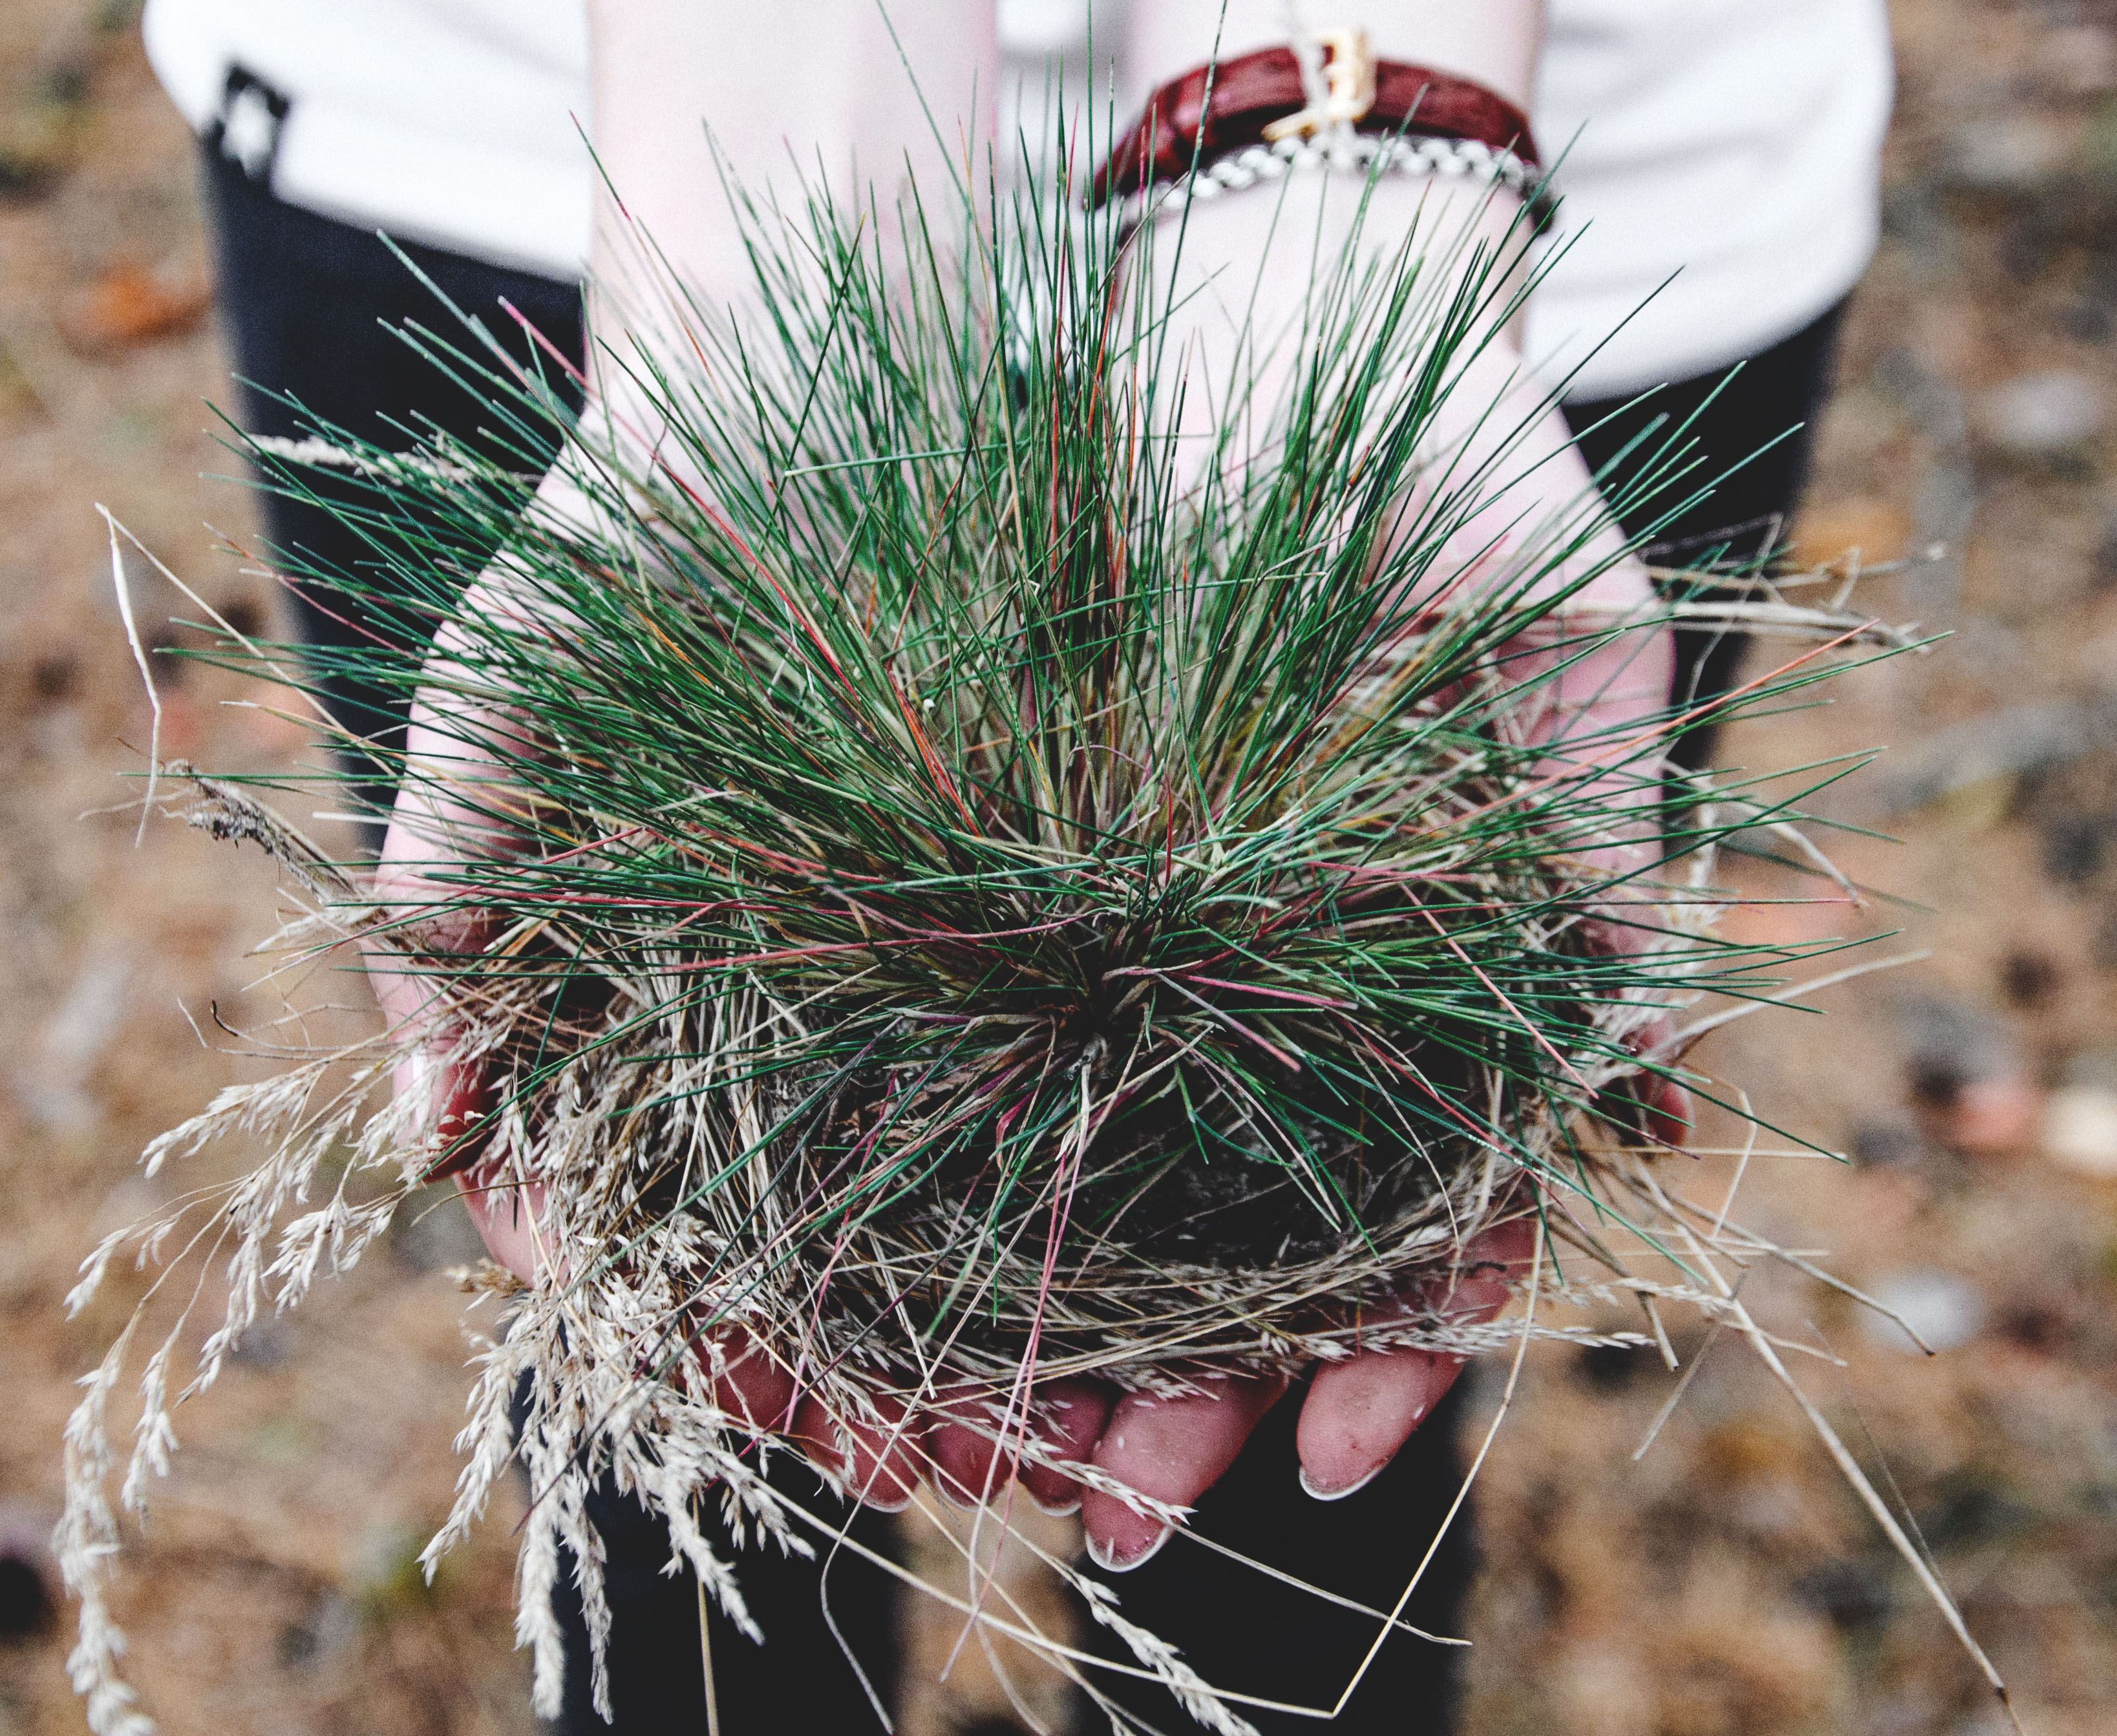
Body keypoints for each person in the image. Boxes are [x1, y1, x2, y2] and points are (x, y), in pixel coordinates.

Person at [147, 3, 1889, 1729]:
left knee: (1330, 1294)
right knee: (667, 1363)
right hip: (563, 132)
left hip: (1547, 172)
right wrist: (763, 291)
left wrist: (1335, 180)